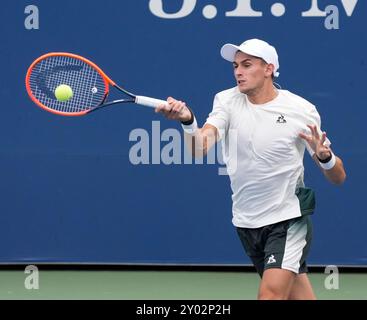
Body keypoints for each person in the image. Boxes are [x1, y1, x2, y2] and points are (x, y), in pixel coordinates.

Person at [155, 39, 346, 300]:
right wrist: (188, 122)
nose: (238, 72)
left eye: (247, 65)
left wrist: (325, 158)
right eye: (235, 66)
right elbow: (200, 147)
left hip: (288, 219)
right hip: (247, 222)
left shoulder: (301, 110)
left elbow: (338, 177)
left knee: (269, 296)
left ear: (268, 69)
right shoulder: (226, 100)